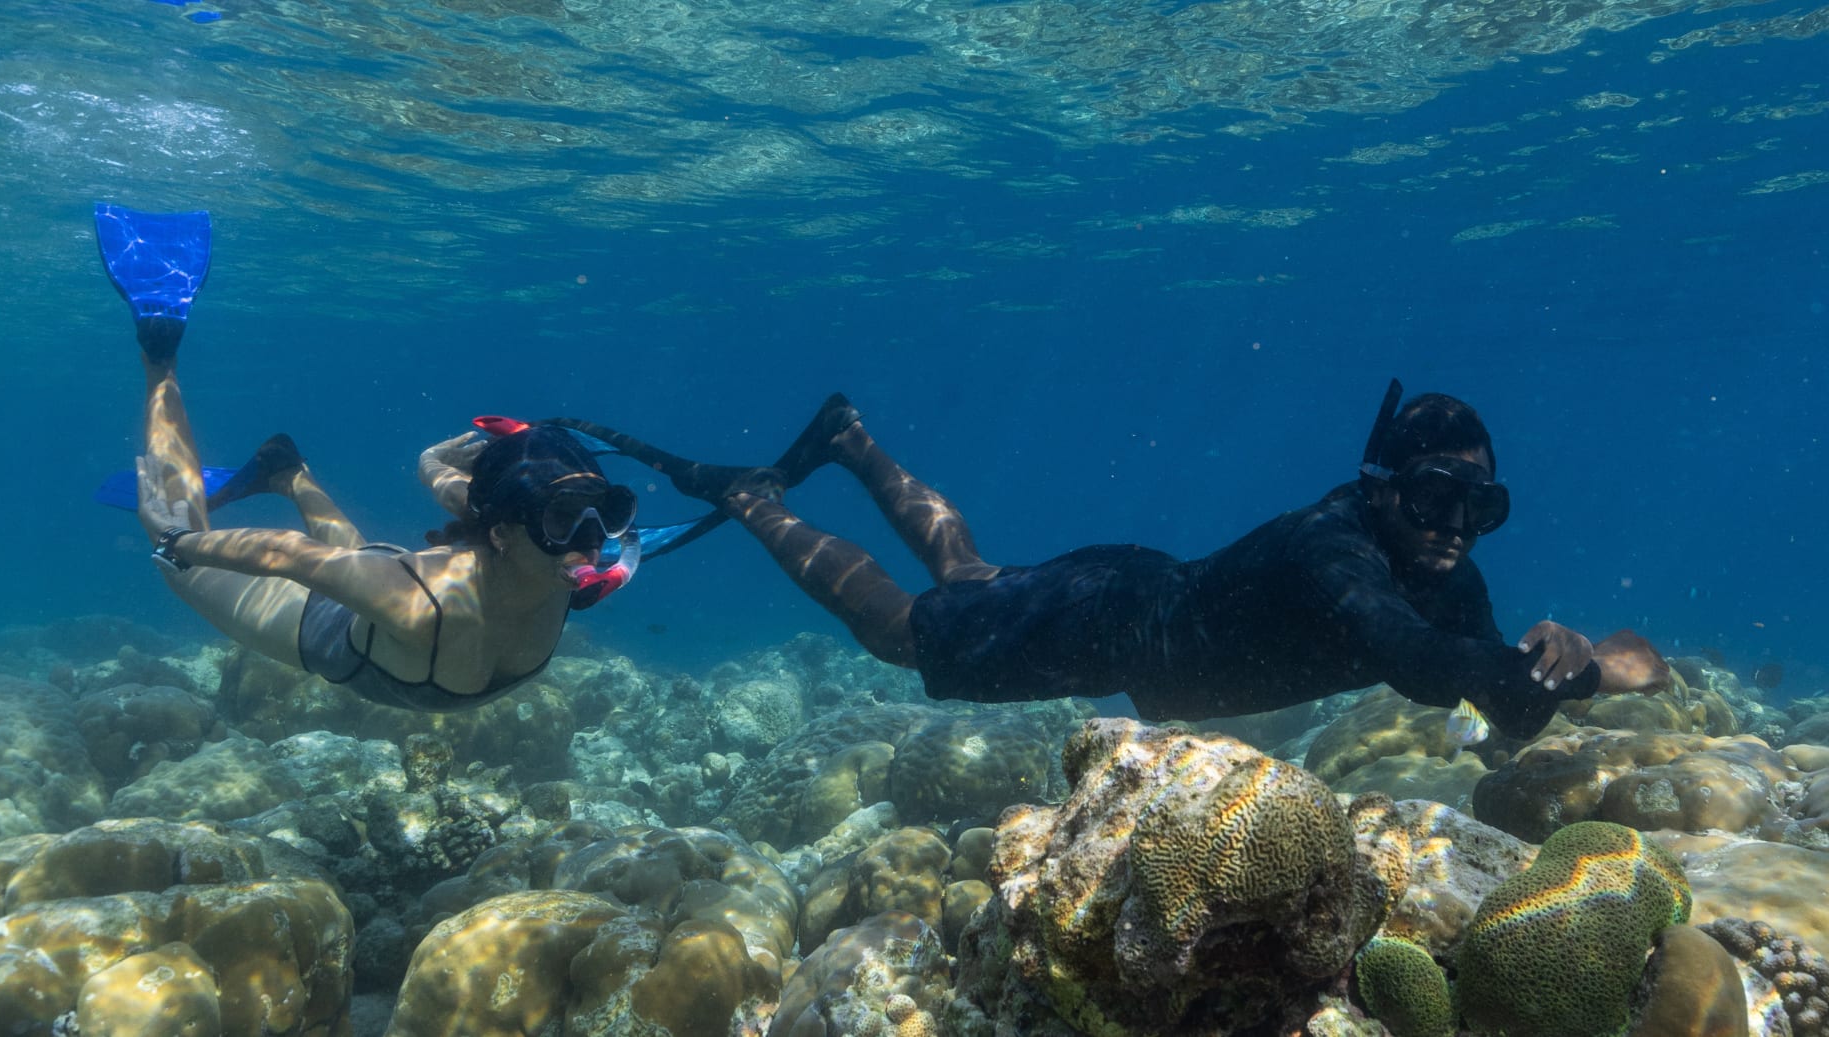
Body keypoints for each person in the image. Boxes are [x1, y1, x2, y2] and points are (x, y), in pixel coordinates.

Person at [548, 382, 1670, 738]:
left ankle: (850, 440)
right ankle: (757, 502)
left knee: (973, 580)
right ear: (1385, 488)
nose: (1457, 524)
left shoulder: (1447, 579)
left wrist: (1573, 671)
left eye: (1484, 504)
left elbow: (1495, 704)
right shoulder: (1341, 550)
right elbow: (1424, 664)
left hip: (1134, 590)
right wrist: (1567, 669)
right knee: (906, 634)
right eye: (1434, 496)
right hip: (1114, 622)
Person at [132, 350, 639, 712]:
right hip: (323, 622)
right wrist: (175, 541)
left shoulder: (536, 544)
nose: (590, 542)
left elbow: (462, 495)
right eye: (563, 518)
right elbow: (286, 553)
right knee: (179, 569)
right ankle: (161, 358)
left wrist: (428, 462)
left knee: (362, 565)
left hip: (385, 585)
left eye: (606, 513)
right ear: (502, 533)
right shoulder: (418, 602)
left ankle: (287, 474)